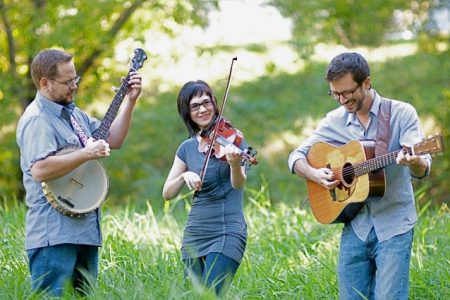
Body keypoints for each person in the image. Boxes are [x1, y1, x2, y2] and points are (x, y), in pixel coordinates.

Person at [288, 52, 431, 299]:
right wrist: (315, 174)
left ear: (366, 82)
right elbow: (295, 156)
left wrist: (414, 160)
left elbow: (423, 168)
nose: (342, 100)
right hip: (356, 227)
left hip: (394, 225)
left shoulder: (401, 113)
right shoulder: (335, 121)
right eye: (335, 94)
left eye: (347, 92)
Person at [16, 48, 142, 296]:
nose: (74, 86)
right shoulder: (37, 119)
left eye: (76, 79)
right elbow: (39, 169)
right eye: (67, 81)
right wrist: (86, 153)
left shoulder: (73, 114)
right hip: (54, 235)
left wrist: (130, 101)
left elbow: (113, 139)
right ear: (45, 83)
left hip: (84, 230)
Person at [163, 80, 250, 296]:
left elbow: (238, 183)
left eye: (206, 102)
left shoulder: (232, 140)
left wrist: (235, 164)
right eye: (195, 106)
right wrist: (184, 175)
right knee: (194, 296)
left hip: (227, 230)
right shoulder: (187, 148)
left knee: (212, 294)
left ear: (214, 103)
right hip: (195, 233)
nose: (202, 109)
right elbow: (167, 193)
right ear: (187, 112)